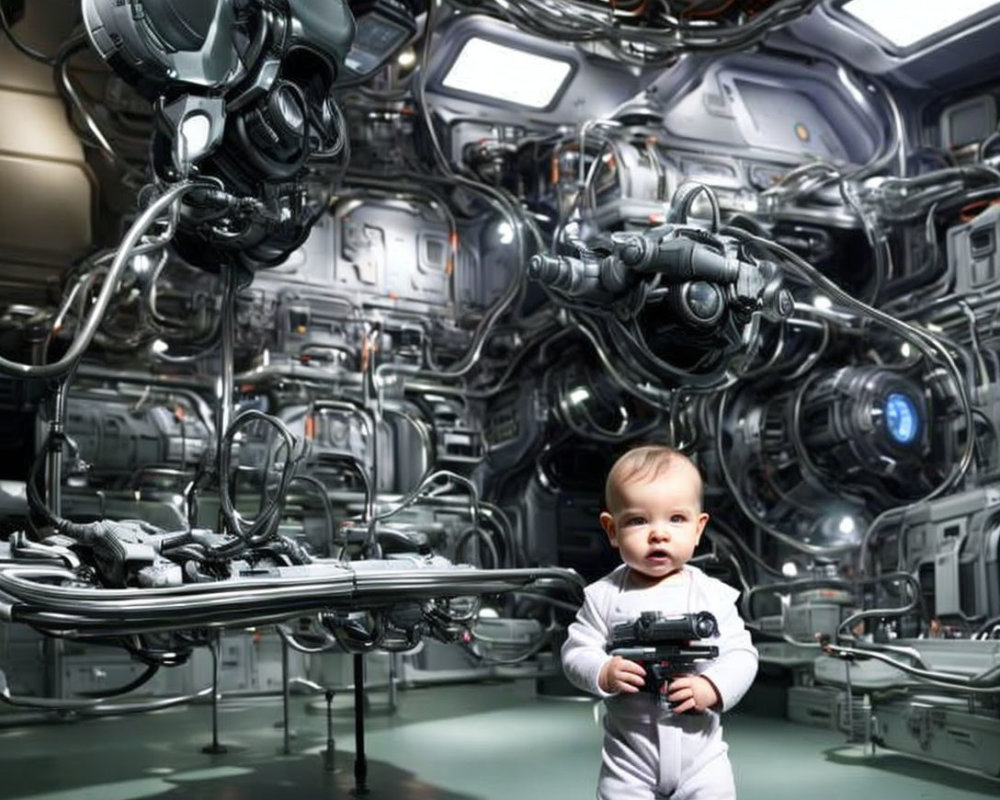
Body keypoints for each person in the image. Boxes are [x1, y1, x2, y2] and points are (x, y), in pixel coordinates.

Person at [561, 444, 758, 800]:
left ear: (699, 529)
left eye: (676, 519)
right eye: (638, 520)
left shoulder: (712, 595)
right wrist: (603, 671)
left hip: (701, 755)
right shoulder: (603, 596)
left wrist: (712, 687)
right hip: (629, 757)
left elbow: (742, 655)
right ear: (612, 529)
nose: (659, 534)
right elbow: (576, 651)